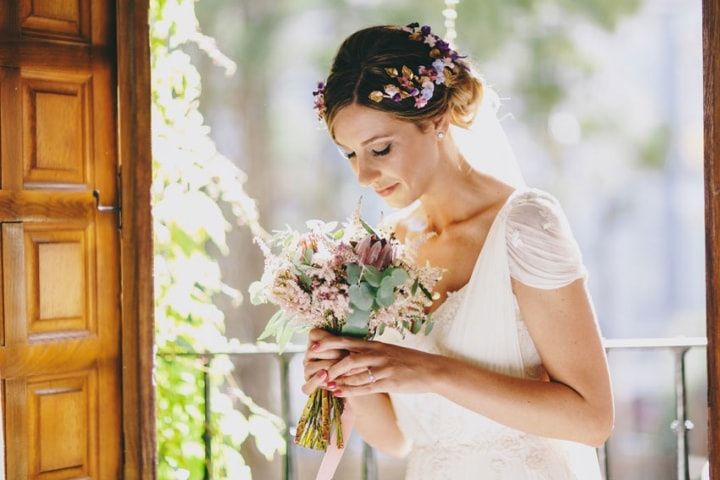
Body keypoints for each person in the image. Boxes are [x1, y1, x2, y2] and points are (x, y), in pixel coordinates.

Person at [301, 22, 614, 479]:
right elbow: (396, 439)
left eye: (380, 149)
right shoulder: (384, 251)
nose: (364, 176)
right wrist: (346, 374)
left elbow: (592, 418)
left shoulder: (524, 225)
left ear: (437, 121)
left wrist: (430, 371)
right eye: (350, 154)